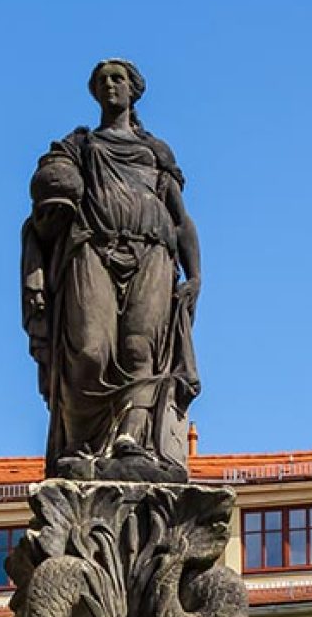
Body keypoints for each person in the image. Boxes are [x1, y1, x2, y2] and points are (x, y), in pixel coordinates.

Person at [22, 59, 201, 478]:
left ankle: (132, 442)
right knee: (88, 349)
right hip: (92, 248)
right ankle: (83, 447)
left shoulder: (156, 152)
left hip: (153, 250)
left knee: (141, 347)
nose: (110, 86)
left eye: (118, 79)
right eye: (102, 80)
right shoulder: (78, 147)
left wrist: (195, 274)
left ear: (134, 89)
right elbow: (48, 198)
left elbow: (181, 217)